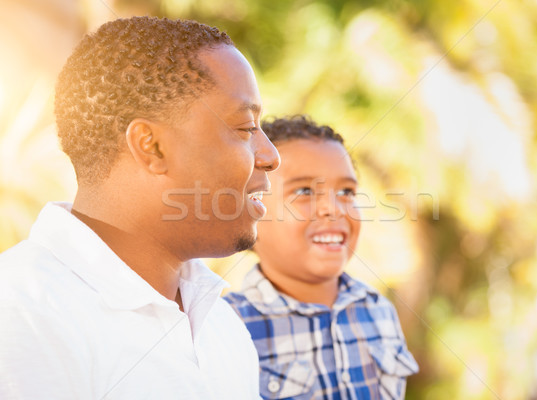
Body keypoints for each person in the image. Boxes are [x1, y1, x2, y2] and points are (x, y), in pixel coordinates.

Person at [0, 16, 279, 399]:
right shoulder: (21, 315)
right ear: (151, 146)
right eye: (246, 129)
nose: (270, 155)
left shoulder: (222, 328)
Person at [224, 115, 418, 400]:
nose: (333, 208)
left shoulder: (379, 310)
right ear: (252, 210)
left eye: (346, 192)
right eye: (304, 191)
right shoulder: (229, 327)